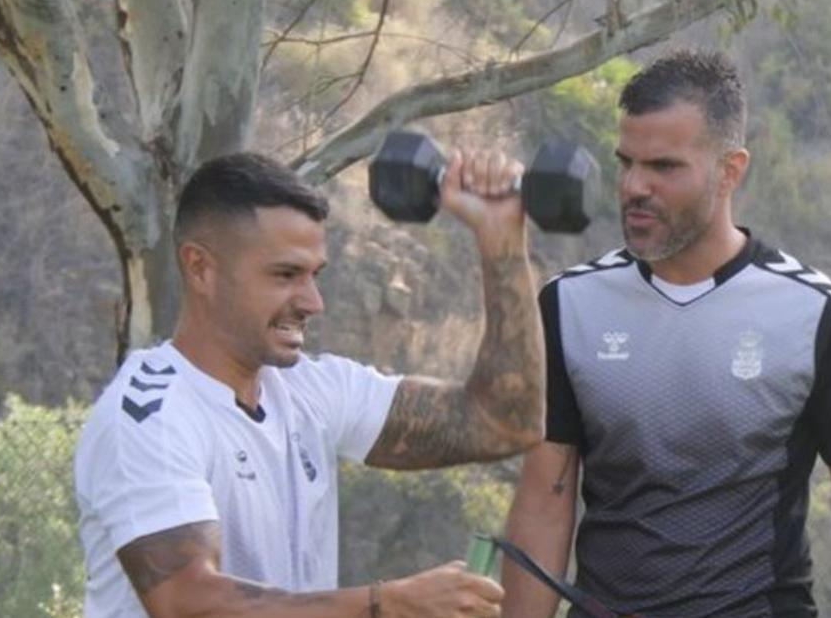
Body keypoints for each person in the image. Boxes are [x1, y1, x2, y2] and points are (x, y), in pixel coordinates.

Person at [501, 51, 831, 617]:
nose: (633, 186)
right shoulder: (570, 304)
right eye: (626, 163)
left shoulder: (811, 310)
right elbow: (545, 499)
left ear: (730, 170)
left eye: (664, 167)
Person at [74, 148, 545, 617]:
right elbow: (187, 603)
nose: (312, 301)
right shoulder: (147, 417)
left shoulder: (311, 388)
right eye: (285, 275)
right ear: (200, 267)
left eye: (314, 275)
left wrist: (500, 236)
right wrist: (388, 604)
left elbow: (503, 423)